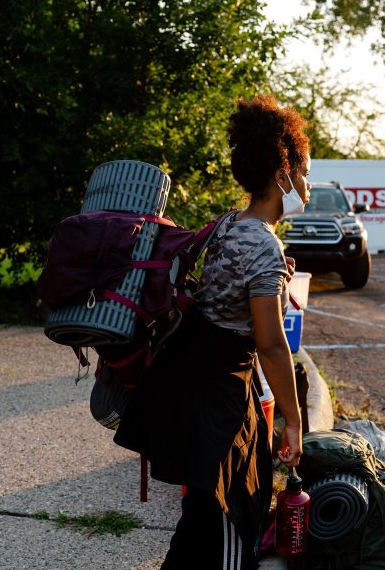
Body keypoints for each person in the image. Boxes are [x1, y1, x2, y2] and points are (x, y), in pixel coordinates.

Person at [114, 94, 310, 569]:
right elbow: (268, 342)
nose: (307, 185)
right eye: (304, 172)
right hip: (219, 397)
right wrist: (295, 418)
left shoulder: (226, 225)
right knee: (228, 524)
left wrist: (271, 279)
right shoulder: (262, 242)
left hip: (190, 378)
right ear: (283, 174)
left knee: (200, 517)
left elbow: (221, 293)